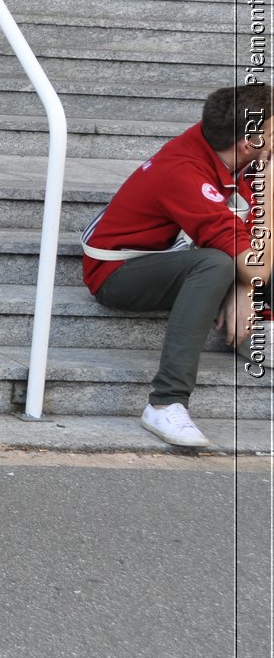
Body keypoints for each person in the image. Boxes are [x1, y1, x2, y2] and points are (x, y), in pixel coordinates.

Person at [82, 84, 272, 447]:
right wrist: (270, 191)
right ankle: (165, 402)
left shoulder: (225, 145)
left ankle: (261, 327)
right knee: (217, 265)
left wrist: (244, 289)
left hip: (182, 253)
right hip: (121, 272)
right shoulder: (183, 172)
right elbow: (256, 267)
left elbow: (251, 264)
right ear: (248, 144)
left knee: (228, 262)